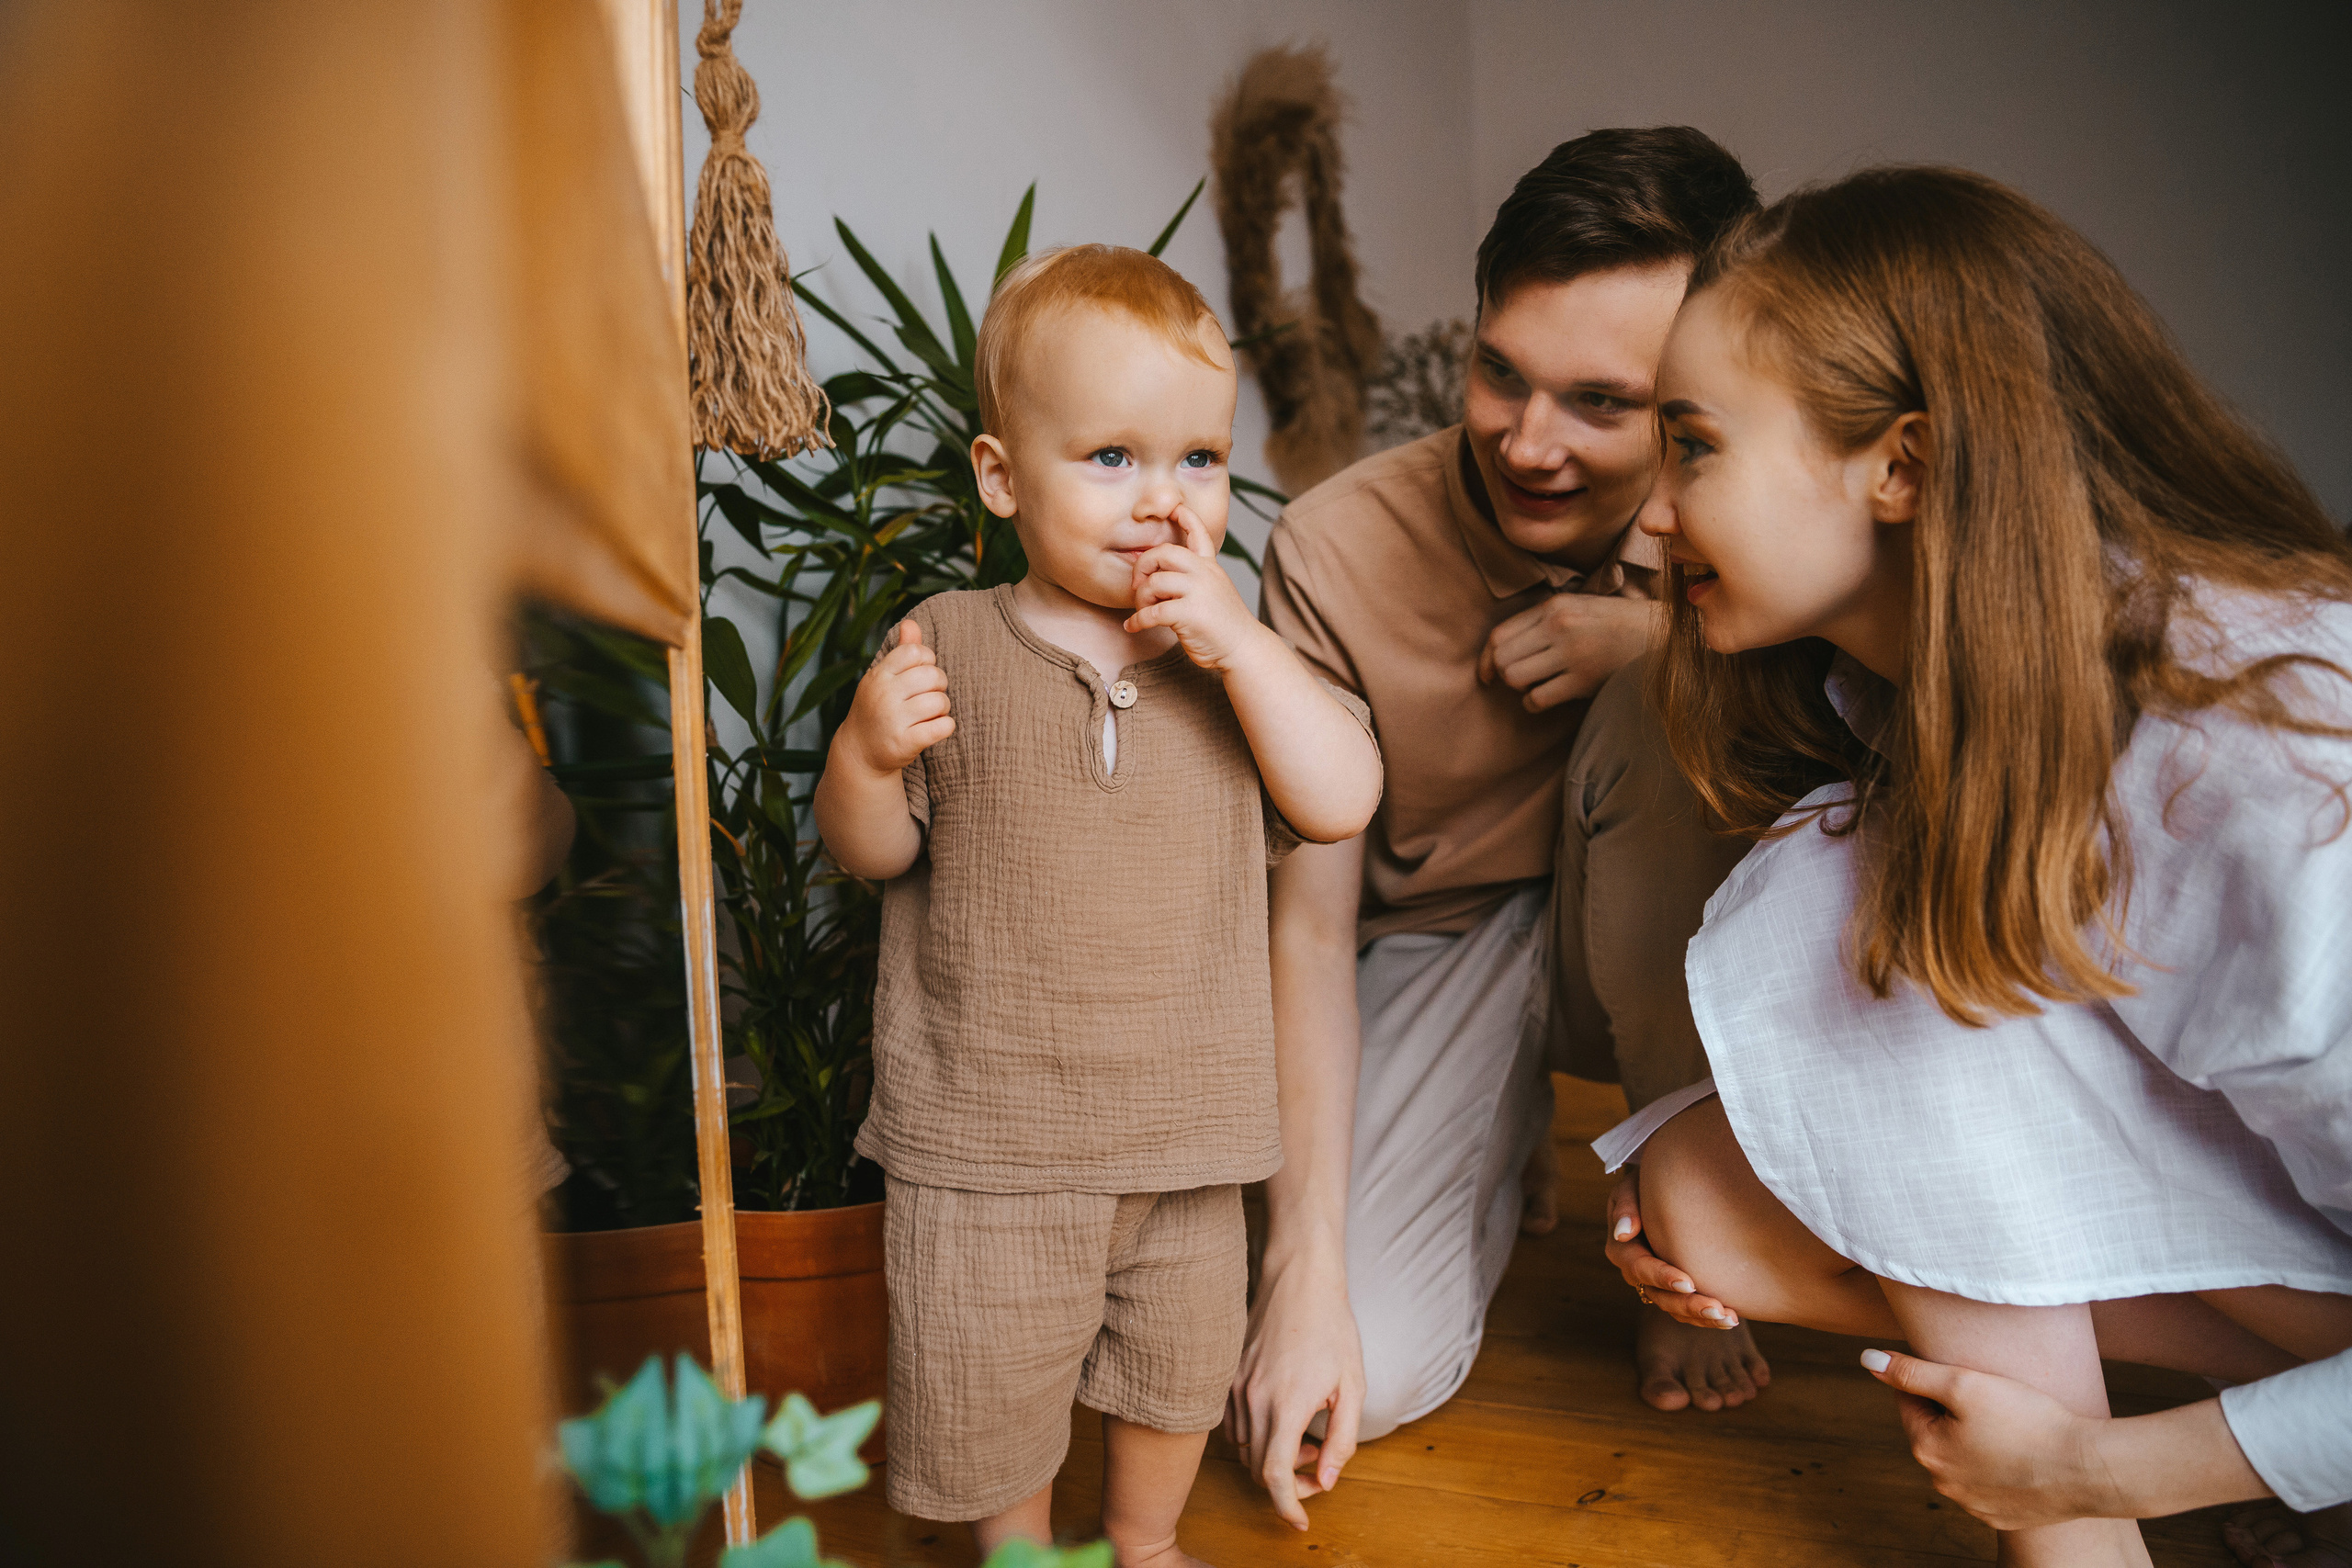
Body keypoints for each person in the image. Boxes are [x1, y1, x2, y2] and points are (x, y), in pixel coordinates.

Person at [1601, 165, 2352, 1568]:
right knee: (1720, 1183)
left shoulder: (2279, 779)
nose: (1648, 514)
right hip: (2314, 1238)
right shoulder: (1936, 684)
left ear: (1900, 464)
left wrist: (2095, 1468)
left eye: (1692, 446)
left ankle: (2121, 1516)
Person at [1227, 127, 1767, 1530]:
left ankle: (1685, 1230)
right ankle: (1490, 1146)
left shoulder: (1750, 523)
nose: (1532, 444)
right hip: (1437, 948)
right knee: (1367, 1373)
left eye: (1603, 402)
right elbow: (1311, 919)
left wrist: (1655, 642)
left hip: (1677, 960)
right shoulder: (1333, 550)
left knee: (1668, 712)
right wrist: (1304, 1282)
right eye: (1500, 374)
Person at [813, 244, 1382, 1568]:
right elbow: (876, 854)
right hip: (992, 1139)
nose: (1163, 501)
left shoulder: (1234, 663)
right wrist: (866, 759)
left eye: (1198, 461)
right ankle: (1018, 1548)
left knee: (1174, 1371)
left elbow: (1344, 793)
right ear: (1005, 479)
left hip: (1186, 1138)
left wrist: (1241, 646)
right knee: (990, 1383)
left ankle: (1145, 1540)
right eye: (1112, 458)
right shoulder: (948, 640)